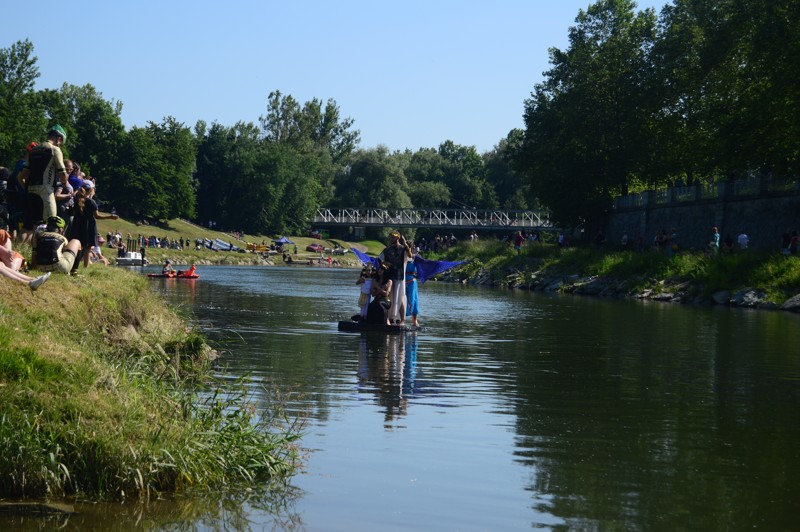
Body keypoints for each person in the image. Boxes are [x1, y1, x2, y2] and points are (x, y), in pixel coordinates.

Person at [19, 125, 69, 237]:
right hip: (46, 191)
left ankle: (18, 250)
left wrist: (26, 188)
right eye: (61, 142)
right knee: (51, 224)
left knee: (28, 227)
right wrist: (65, 183)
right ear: (59, 138)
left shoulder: (33, 150)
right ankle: (43, 252)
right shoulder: (55, 149)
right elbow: (62, 173)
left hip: (31, 191)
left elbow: (21, 176)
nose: (59, 144)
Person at [68, 180, 118, 271]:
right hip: (88, 227)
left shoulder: (76, 200)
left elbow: (72, 212)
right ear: (91, 190)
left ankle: (73, 265)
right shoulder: (91, 202)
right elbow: (97, 216)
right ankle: (85, 267)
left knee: (78, 246)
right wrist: (110, 217)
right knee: (87, 248)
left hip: (77, 226)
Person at [379, 231, 413, 325]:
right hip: (389, 276)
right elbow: (380, 260)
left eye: (393, 238)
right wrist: (386, 263)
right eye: (390, 238)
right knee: (390, 297)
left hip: (399, 276)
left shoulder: (402, 249)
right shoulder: (387, 249)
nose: (391, 239)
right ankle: (389, 318)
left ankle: (402, 319)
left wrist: (405, 243)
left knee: (400, 297)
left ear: (397, 238)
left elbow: (410, 256)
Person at [405, 252, 420, 327]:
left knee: (413, 299)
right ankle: (401, 319)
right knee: (402, 299)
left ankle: (415, 321)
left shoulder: (415, 258)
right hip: (402, 281)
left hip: (412, 281)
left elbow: (423, 265)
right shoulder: (402, 257)